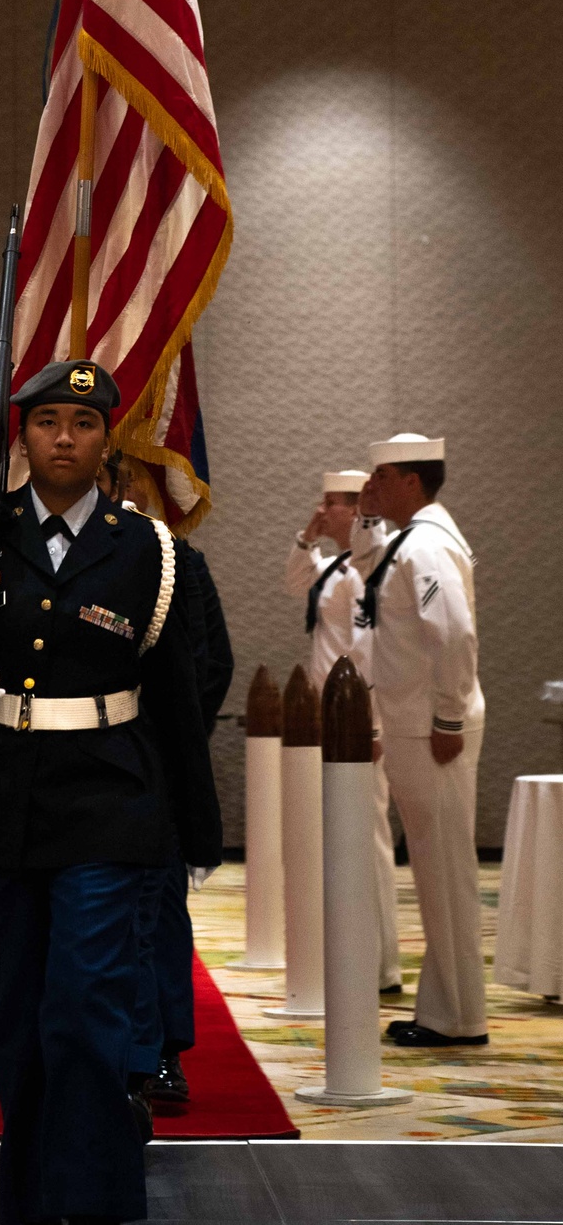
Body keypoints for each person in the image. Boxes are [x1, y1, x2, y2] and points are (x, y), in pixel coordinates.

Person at [0, 359, 222, 1225]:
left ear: (104, 435)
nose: (65, 438)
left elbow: (179, 698)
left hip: (109, 801)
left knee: (84, 1010)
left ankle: (96, 1201)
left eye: (82, 422)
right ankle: (35, 1201)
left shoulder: (147, 547)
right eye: (48, 422)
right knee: (15, 1012)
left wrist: (196, 830)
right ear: (24, 435)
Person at [361, 432, 486, 1048]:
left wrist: (447, 717)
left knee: (443, 869)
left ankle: (458, 1015)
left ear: (411, 481)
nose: (372, 485)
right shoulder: (412, 539)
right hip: (417, 718)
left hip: (429, 724)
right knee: (437, 868)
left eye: (381, 475)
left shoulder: (426, 546)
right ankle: (445, 1008)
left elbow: (455, 633)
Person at [120, 467, 234, 1112]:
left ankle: (161, 1053)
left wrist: (172, 734)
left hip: (153, 764)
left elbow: (213, 661)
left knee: (156, 912)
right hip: (74, 759)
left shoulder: (180, 563)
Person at [285, 469, 401, 994]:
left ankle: (381, 964)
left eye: (330, 504)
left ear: (354, 510)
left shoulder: (369, 569)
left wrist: (372, 724)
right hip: (329, 719)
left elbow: (371, 650)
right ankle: (352, 950)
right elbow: (295, 582)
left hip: (359, 723)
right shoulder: (338, 564)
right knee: (338, 838)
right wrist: (307, 537)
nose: (321, 509)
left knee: (369, 838)